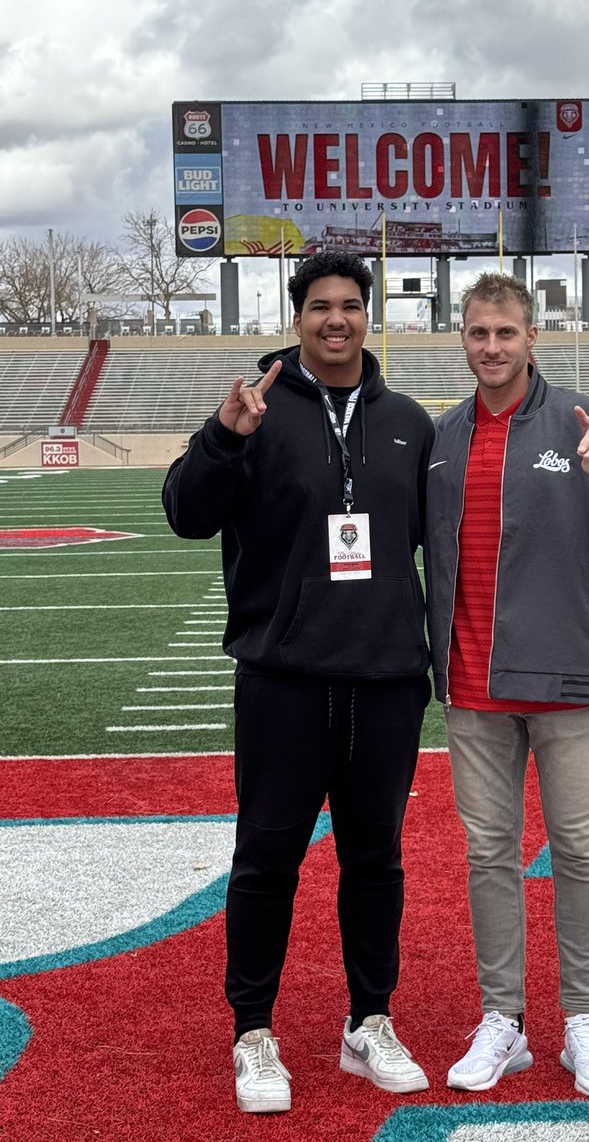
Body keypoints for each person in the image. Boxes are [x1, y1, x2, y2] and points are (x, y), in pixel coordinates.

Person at [162, 250, 434, 1113]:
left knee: (376, 862)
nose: (336, 320)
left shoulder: (410, 423)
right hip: (283, 679)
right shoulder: (253, 409)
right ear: (299, 315)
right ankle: (253, 1032)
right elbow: (184, 514)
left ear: (368, 314)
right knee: (266, 861)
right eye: (320, 306)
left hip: (386, 679)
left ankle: (369, 1022)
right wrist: (221, 440)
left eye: (350, 305)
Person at [424, 272, 589, 1097]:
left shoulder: (584, 418)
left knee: (579, 851)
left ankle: (581, 1022)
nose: (490, 347)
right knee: (488, 855)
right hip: (471, 682)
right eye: (476, 333)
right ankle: (505, 1021)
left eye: (504, 333)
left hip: (570, 678)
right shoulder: (443, 436)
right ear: (461, 340)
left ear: (532, 337)